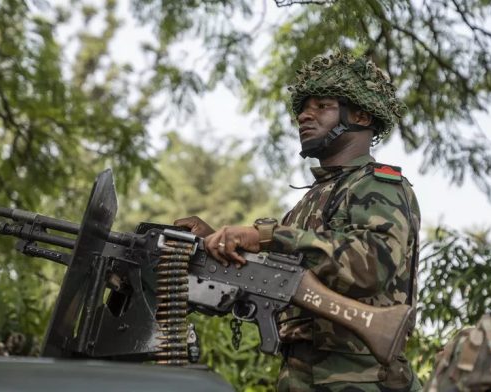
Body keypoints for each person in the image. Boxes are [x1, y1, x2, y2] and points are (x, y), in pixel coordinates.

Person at [175, 52, 422, 392]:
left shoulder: (377, 185)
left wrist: (267, 236)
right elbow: (277, 280)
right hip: (300, 373)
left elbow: (370, 267)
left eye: (322, 106)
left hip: (359, 376)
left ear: (361, 115)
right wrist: (211, 247)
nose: (304, 116)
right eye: (303, 109)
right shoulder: (309, 201)